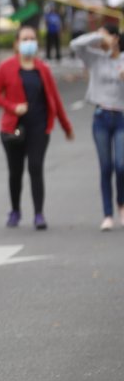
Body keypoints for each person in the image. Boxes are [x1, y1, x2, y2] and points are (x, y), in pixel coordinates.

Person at [0, 26, 75, 229]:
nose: (29, 42)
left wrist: (66, 126)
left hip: (39, 126)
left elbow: (55, 99)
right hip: (13, 127)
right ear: (16, 44)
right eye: (25, 39)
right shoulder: (5, 68)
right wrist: (12, 107)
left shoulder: (42, 69)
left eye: (32, 39)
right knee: (15, 171)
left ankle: (39, 214)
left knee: (36, 168)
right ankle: (15, 210)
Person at [71, 24, 124, 230]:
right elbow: (75, 44)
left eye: (107, 37)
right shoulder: (95, 59)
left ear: (116, 39)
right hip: (101, 116)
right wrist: (97, 36)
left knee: (121, 165)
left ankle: (121, 202)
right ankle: (107, 214)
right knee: (105, 166)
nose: (102, 42)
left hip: (121, 116)